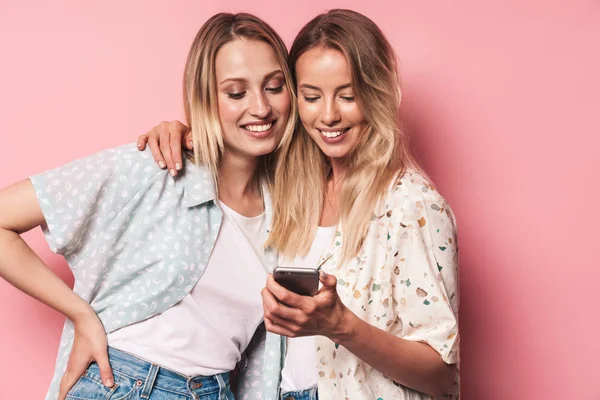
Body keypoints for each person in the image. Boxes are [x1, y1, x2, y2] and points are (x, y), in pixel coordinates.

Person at [141, 9, 460, 400]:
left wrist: (341, 324)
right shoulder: (287, 189)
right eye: (311, 96)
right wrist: (180, 131)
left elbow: (441, 375)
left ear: (376, 94)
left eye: (348, 96)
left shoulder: (412, 205)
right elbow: (239, 135)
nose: (328, 115)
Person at [0, 13, 297, 400]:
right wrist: (80, 313)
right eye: (236, 93)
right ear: (206, 99)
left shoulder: (290, 206)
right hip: (129, 382)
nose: (260, 107)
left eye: (274, 87)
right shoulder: (156, 166)